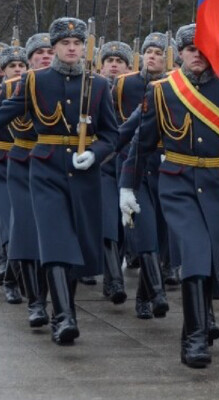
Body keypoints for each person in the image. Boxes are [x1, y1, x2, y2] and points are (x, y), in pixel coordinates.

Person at [119, 23, 219, 367]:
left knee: (209, 258)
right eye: (191, 49)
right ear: (179, 53)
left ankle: (204, 317)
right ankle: (194, 339)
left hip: (217, 184)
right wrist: (127, 187)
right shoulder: (161, 91)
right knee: (194, 254)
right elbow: (142, 143)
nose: (197, 56)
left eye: (204, 49)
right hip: (177, 183)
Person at [0, 18, 119, 344]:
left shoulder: (96, 85)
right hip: (45, 170)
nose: (71, 48)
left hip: (84, 175)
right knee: (55, 240)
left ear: (83, 47)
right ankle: (65, 317)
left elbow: (112, 134)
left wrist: (95, 152)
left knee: (76, 245)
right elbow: (7, 111)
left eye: (77, 43)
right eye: (65, 43)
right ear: (53, 48)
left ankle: (62, 311)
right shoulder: (36, 81)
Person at [113, 32, 172, 320]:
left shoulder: (174, 86)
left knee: (161, 233)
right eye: (148, 51)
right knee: (144, 229)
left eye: (159, 52)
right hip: (136, 161)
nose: (152, 56)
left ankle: (144, 297)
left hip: (169, 165)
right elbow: (119, 124)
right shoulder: (125, 83)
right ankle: (157, 292)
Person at [6, 34, 51, 324]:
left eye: (50, 51)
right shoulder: (12, 87)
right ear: (29, 58)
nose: (45, 56)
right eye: (39, 53)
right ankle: (35, 301)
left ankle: (42, 294)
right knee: (24, 228)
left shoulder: (69, 86)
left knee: (49, 234)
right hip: (22, 164)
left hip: (54, 166)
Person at [99, 40, 135, 305]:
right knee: (107, 220)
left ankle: (116, 268)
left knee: (124, 223)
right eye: (109, 61)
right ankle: (114, 279)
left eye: (119, 61)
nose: (113, 65)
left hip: (126, 159)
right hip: (102, 161)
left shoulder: (134, 89)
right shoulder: (93, 88)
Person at [0, 46, 28, 305]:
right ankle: (11, 276)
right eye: (12, 67)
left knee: (21, 224)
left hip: (28, 163)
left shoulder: (35, 90)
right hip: (2, 165)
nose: (18, 70)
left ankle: (13, 274)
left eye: (22, 66)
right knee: (11, 225)